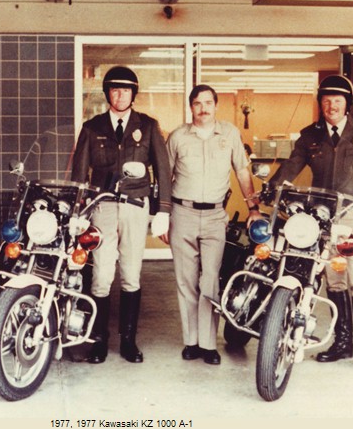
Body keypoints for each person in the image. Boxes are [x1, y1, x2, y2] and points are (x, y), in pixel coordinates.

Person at [269, 74, 353, 374]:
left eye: (337, 101)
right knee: (335, 279)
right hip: (322, 218)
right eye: (326, 101)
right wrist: (271, 191)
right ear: (320, 104)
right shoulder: (310, 135)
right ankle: (342, 343)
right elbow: (290, 167)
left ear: (347, 104)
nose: (331, 106)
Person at [71, 66, 171, 364]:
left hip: (135, 206)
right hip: (102, 207)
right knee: (101, 275)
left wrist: (163, 210)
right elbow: (79, 172)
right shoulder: (93, 127)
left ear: (133, 94)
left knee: (130, 273)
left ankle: (128, 340)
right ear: (107, 94)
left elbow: (162, 169)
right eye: (115, 90)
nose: (120, 95)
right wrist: (78, 210)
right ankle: (98, 340)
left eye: (126, 90)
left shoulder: (148, 126)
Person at [163, 84, 262, 365]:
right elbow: (165, 177)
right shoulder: (178, 136)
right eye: (197, 103)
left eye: (208, 103)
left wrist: (253, 207)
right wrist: (162, 216)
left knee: (210, 279)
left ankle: (208, 344)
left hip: (216, 216)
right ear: (190, 107)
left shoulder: (229, 133)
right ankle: (191, 342)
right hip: (182, 213)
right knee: (185, 281)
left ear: (216, 105)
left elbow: (242, 171)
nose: (203, 108)